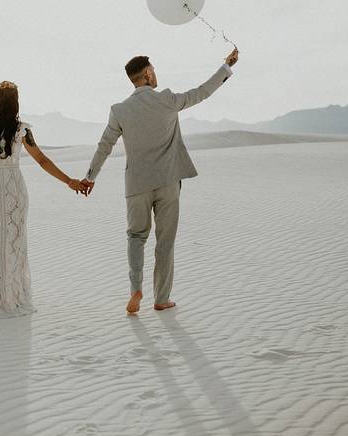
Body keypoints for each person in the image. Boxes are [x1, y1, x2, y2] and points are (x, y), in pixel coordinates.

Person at [83, 48, 239, 314]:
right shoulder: (167, 99)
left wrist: (90, 177)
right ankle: (162, 298)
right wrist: (226, 66)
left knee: (135, 236)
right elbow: (202, 92)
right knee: (165, 242)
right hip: (167, 182)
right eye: (153, 70)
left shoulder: (119, 110)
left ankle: (135, 289)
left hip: (136, 185)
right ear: (147, 73)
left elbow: (105, 145)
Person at [0, 78, 89, 317]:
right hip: (14, 189)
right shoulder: (22, 130)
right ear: (16, 103)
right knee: (13, 241)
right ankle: (10, 295)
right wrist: (69, 181)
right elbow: (42, 159)